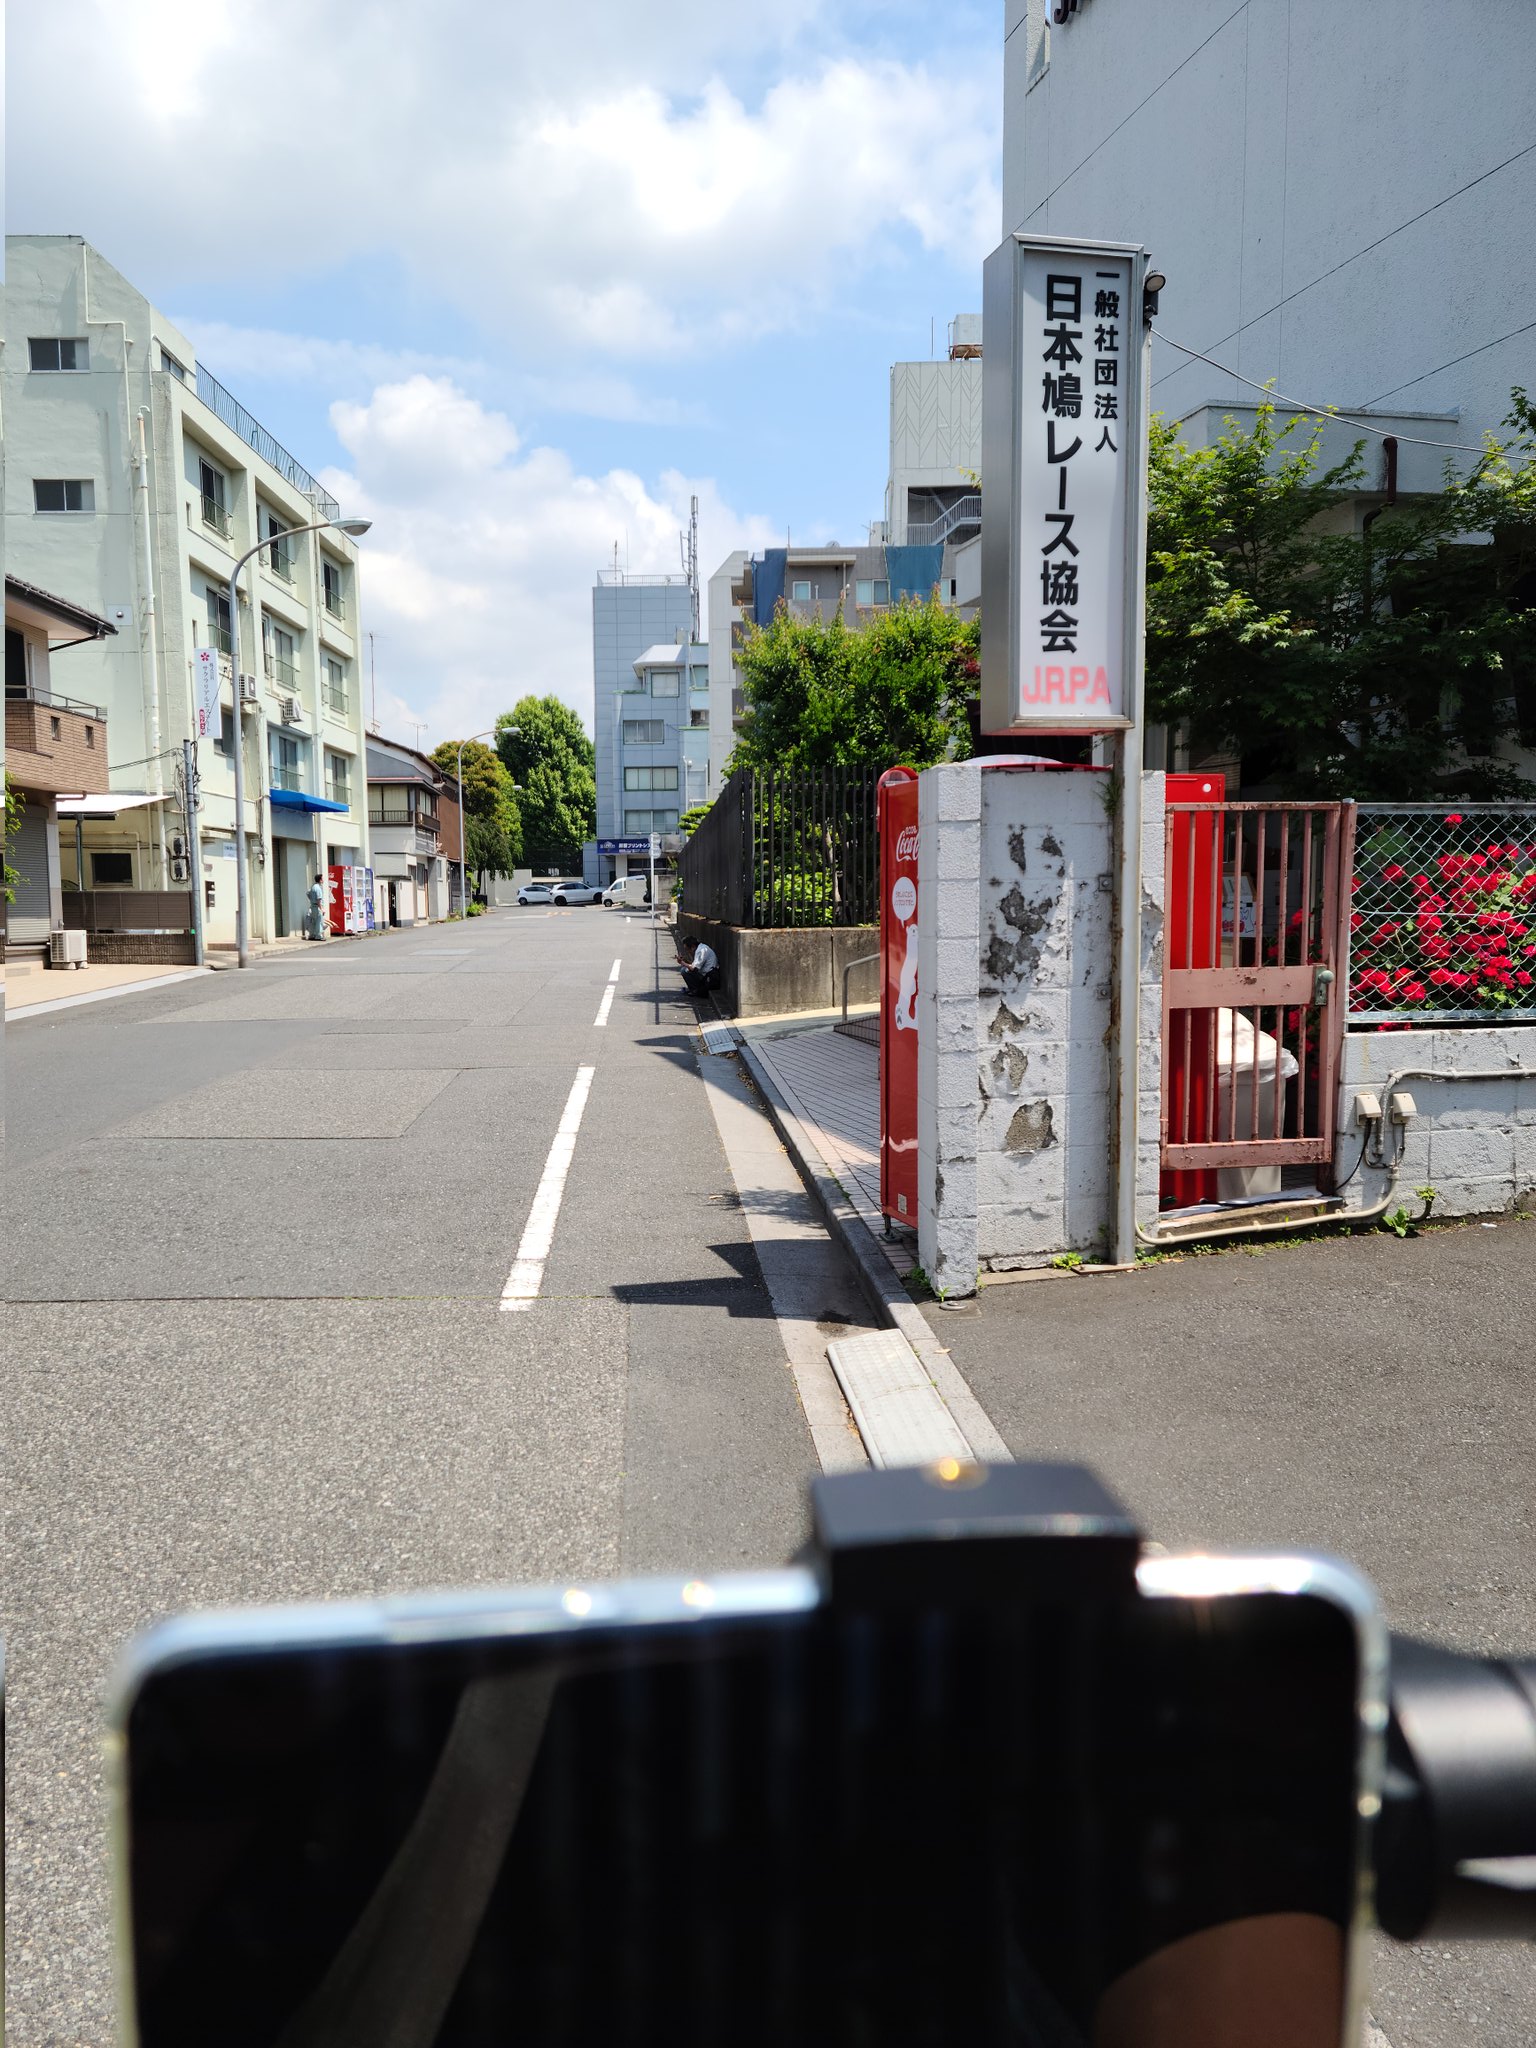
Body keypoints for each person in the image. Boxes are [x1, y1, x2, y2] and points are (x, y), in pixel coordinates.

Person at [306, 873, 327, 942]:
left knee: (313, 921)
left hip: (313, 906)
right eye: (322, 879)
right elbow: (319, 899)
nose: (323, 880)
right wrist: (321, 908)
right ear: (320, 880)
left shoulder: (313, 887)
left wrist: (311, 900)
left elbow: (307, 893)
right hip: (317, 907)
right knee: (319, 921)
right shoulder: (318, 888)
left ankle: (312, 935)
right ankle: (318, 936)